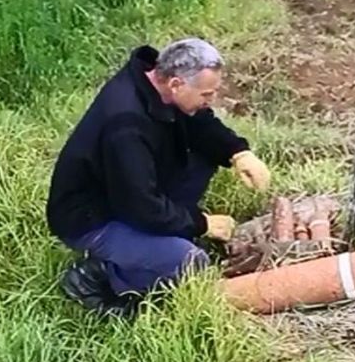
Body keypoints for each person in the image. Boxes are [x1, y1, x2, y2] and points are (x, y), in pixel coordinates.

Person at [45, 37, 270, 317]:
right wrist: (201, 224)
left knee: (204, 156)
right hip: (92, 218)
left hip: (124, 192)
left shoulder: (157, 82)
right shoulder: (126, 125)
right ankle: (99, 275)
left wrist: (238, 153)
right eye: (206, 95)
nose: (210, 101)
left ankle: (160, 239)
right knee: (190, 263)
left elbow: (200, 122)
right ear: (176, 83)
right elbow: (138, 205)